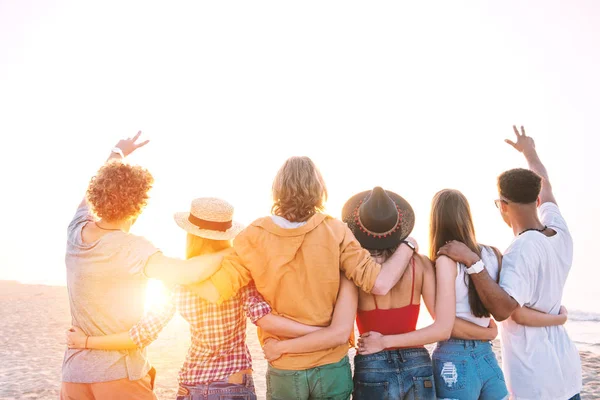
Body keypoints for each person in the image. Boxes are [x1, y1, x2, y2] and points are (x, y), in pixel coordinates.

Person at [191, 157, 416, 400]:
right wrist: (408, 245)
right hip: (331, 364)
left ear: (277, 190)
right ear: (319, 190)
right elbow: (380, 284)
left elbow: (215, 291)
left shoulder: (253, 236)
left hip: (285, 364)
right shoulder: (336, 230)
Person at [67, 197, 337, 399]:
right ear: (227, 234)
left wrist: (88, 341)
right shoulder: (239, 272)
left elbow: (141, 334)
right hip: (233, 383)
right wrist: (318, 331)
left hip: (192, 384)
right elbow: (265, 319)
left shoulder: (178, 278)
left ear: (190, 234)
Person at [61, 133, 227, 400]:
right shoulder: (133, 248)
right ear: (138, 206)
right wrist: (231, 249)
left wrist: (117, 152)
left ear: (96, 195)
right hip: (117, 376)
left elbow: (90, 192)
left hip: (73, 376)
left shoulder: (76, 229)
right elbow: (188, 273)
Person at [439, 126, 582, 400]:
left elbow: (505, 309)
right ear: (537, 199)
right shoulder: (559, 230)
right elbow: (546, 182)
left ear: (502, 205)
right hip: (567, 371)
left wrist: (473, 262)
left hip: (534, 378)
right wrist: (529, 152)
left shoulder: (520, 250)